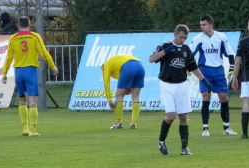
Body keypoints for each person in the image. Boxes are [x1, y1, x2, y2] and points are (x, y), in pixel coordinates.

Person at [149, 24, 213, 156]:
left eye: (185, 38)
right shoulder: (165, 45)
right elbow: (151, 59)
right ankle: (161, 140)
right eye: (180, 37)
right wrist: (167, 51)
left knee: (183, 117)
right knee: (171, 116)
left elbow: (193, 67)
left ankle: (184, 148)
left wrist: (204, 81)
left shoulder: (186, 49)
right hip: (167, 85)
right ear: (175, 34)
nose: (182, 40)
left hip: (182, 85)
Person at [2, 16, 59, 137]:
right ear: (30, 25)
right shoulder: (35, 37)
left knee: (22, 99)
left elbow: (9, 57)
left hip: (18, 72)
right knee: (33, 100)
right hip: (30, 70)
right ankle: (33, 130)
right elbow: (44, 52)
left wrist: (4, 73)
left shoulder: (13, 38)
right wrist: (53, 66)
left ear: (18, 26)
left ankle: (24, 128)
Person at [189, 14, 237, 136]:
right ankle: (205, 129)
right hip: (204, 71)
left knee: (224, 97)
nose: (202, 27)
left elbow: (230, 53)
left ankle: (226, 128)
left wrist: (231, 67)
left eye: (204, 25)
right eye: (201, 25)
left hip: (218, 71)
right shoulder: (198, 39)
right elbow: (189, 54)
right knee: (206, 96)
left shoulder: (221, 37)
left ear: (211, 25)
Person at [101, 54, 145, 129]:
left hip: (127, 67)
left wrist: (109, 100)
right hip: (140, 66)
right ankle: (133, 124)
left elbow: (106, 83)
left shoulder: (106, 66)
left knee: (119, 95)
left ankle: (118, 123)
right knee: (136, 96)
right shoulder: (116, 62)